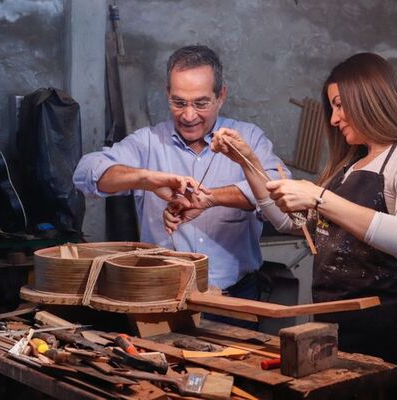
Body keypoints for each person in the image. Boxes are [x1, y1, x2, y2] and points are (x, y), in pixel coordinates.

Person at [208, 53, 397, 399]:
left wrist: (318, 197)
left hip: (390, 331)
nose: (335, 118)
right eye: (332, 107)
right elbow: (290, 222)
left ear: (370, 98)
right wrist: (247, 162)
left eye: (341, 105)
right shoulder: (348, 165)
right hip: (337, 328)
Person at [73, 45, 288, 309]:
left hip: (233, 298)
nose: (188, 115)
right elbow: (86, 173)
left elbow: (280, 194)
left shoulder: (248, 138)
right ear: (167, 94)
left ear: (221, 95)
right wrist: (147, 179)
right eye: (179, 102)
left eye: (200, 103)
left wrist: (212, 198)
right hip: (159, 296)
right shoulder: (149, 142)